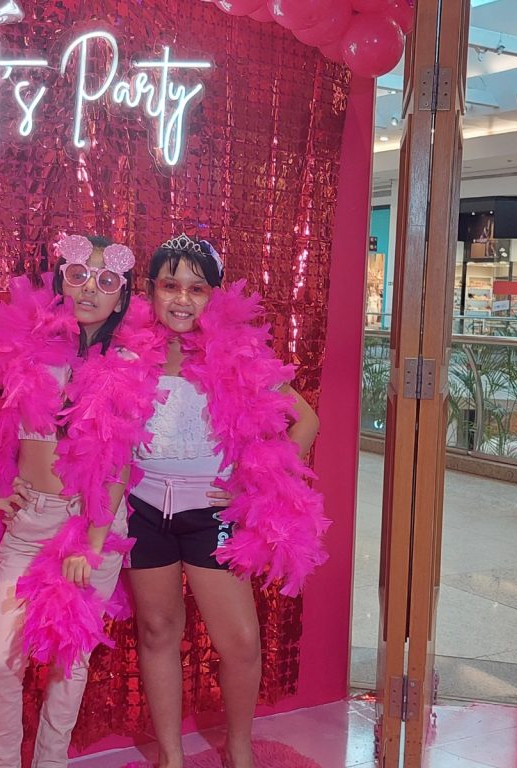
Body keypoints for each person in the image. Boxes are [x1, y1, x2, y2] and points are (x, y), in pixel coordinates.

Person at [0, 234, 145, 768]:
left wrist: (92, 543)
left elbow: (118, 467)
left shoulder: (127, 362)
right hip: (31, 523)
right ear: (60, 280)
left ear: (121, 296)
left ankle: (51, 761)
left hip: (91, 523)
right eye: (78, 275)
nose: (90, 289)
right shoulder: (24, 350)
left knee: (70, 664)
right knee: (0, 662)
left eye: (106, 281)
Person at [125, 234, 327, 768]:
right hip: (142, 511)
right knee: (157, 631)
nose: (181, 299)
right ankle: (170, 757)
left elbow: (306, 421)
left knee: (239, 641)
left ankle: (238, 749)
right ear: (151, 290)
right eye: (170, 285)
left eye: (196, 288)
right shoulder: (127, 350)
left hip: (211, 513)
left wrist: (254, 482)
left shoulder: (238, 354)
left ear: (214, 296)